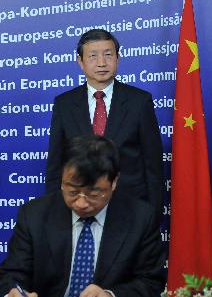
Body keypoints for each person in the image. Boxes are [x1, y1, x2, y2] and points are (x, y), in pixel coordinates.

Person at [0, 135, 166, 297]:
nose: (81, 203)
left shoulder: (140, 217)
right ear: (62, 179)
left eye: (94, 194)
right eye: (72, 192)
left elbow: (151, 283)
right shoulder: (34, 215)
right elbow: (10, 275)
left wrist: (112, 296)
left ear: (114, 182)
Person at [45, 29, 163, 219]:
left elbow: (153, 167)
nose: (101, 63)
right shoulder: (64, 104)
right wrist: (53, 214)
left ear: (117, 58)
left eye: (108, 55)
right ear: (80, 62)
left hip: (130, 209)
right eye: (93, 56)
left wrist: (152, 215)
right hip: (79, 208)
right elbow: (55, 164)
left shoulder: (139, 102)